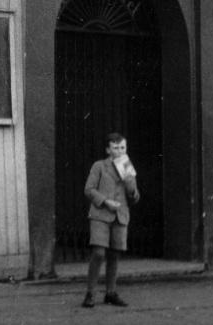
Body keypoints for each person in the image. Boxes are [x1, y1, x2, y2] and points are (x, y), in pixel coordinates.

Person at [82, 132, 139, 308]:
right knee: (99, 253)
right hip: (100, 214)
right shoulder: (99, 166)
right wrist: (105, 201)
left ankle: (110, 293)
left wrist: (130, 184)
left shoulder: (128, 167)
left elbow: (135, 197)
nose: (119, 151)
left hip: (120, 216)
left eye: (122, 147)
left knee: (114, 254)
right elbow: (89, 189)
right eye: (115, 148)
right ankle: (90, 293)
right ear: (108, 150)